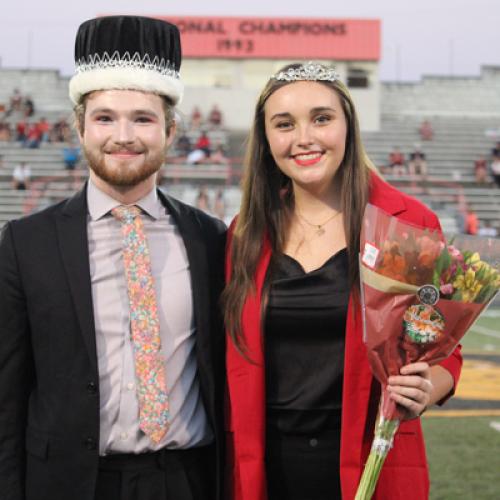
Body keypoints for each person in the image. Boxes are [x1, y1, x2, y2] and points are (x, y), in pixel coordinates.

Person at [0, 16, 226, 500]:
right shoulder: (25, 243)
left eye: (143, 118)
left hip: (185, 481)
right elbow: (7, 394)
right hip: (69, 483)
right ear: (79, 127)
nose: (123, 136)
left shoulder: (212, 238)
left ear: (170, 129)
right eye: (104, 117)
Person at [222, 62, 463, 500]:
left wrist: (427, 389)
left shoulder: (405, 223)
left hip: (373, 463)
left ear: (347, 125)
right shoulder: (246, 232)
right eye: (284, 124)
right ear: (266, 140)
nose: (304, 138)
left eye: (321, 118)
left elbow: (445, 353)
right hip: (264, 470)